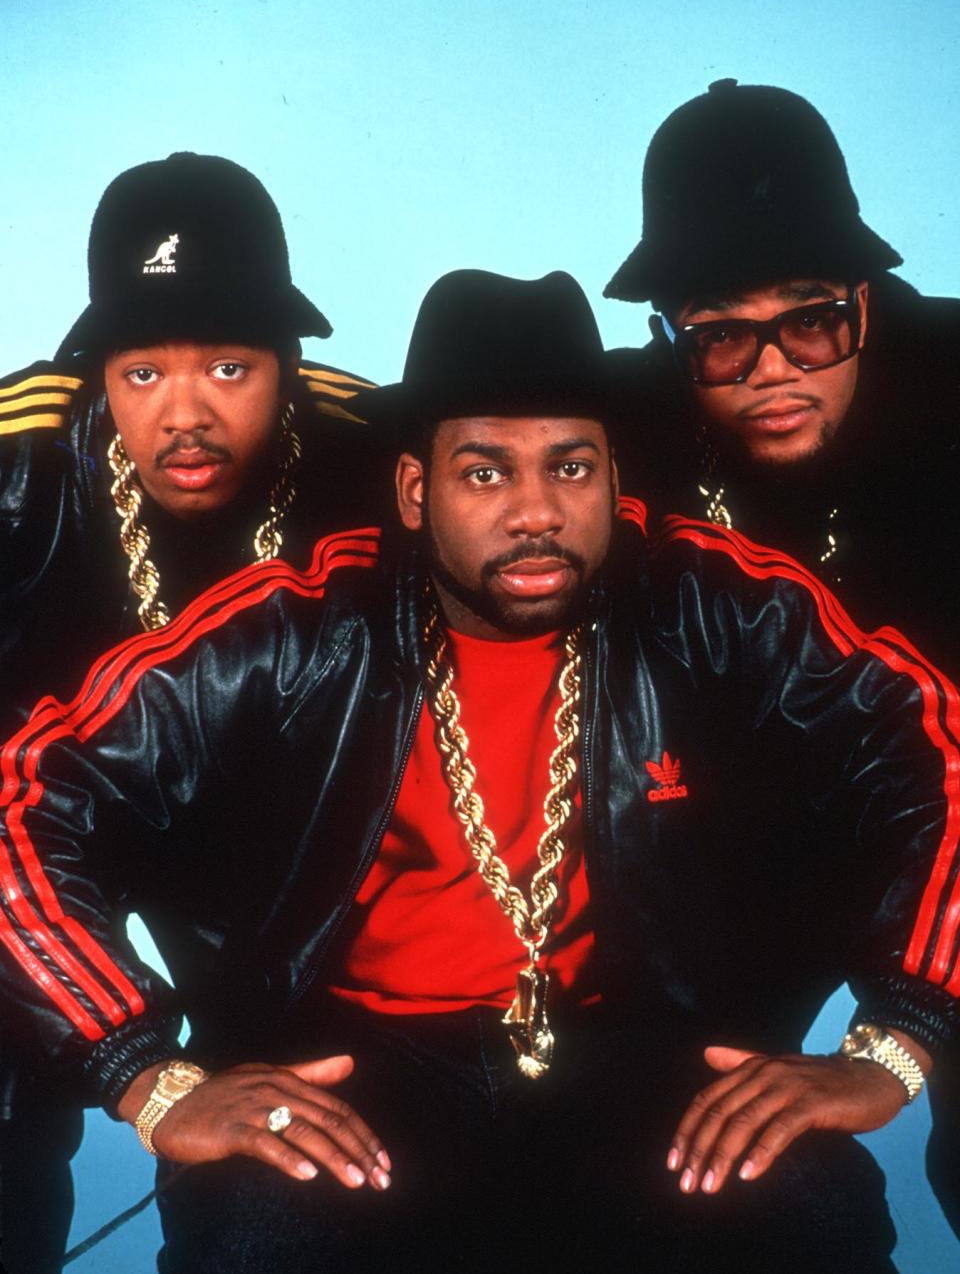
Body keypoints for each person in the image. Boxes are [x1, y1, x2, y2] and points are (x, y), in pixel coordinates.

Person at [0, 267, 957, 1273]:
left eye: (573, 467)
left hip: (646, 1050)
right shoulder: (291, 628)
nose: (537, 512)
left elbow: (939, 755)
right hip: (350, 1067)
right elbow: (23, 800)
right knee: (258, 1236)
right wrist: (142, 1069)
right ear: (417, 490)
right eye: (486, 472)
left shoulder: (721, 603)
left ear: (616, 474)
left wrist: (901, 1036)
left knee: (809, 1213)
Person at [0, 151, 380, 1274]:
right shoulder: (19, 463)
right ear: (100, 371)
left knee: (300, 1133)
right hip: (36, 827)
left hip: (265, 843)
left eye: (226, 364)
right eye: (143, 372)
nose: (186, 414)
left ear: (288, 363)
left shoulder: (372, 450)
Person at [604, 79, 960, 1234]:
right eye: (720, 333)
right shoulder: (620, 415)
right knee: (682, 1154)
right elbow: (437, 404)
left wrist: (901, 1048)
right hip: (739, 849)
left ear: (865, 299)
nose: (769, 368)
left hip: (949, 831)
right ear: (673, 336)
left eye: (809, 321)